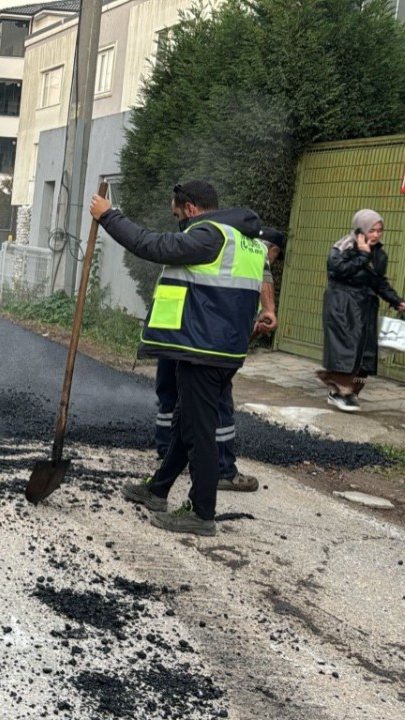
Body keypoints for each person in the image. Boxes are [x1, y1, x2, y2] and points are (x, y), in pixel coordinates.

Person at [90, 180, 270, 536]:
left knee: (197, 431)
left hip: (205, 349)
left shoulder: (209, 237)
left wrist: (109, 216)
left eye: (178, 217)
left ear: (190, 208)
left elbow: (150, 245)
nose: (180, 225)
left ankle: (201, 513)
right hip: (221, 347)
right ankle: (157, 489)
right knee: (188, 421)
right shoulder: (246, 241)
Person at [152, 227, 286, 494]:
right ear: (272, 250)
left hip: (171, 332)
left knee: (176, 398)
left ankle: (167, 455)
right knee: (218, 402)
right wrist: (265, 315)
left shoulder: (195, 240)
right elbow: (236, 312)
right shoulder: (249, 254)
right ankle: (222, 469)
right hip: (208, 346)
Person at [317, 210, 405, 412]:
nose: (376, 235)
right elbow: (338, 270)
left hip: (365, 306)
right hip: (342, 305)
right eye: (371, 230)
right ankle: (342, 391)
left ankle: (346, 392)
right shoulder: (343, 247)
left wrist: (396, 300)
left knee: (364, 353)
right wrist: (363, 255)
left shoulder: (379, 254)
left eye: (380, 230)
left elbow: (378, 282)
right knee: (346, 348)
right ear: (361, 229)